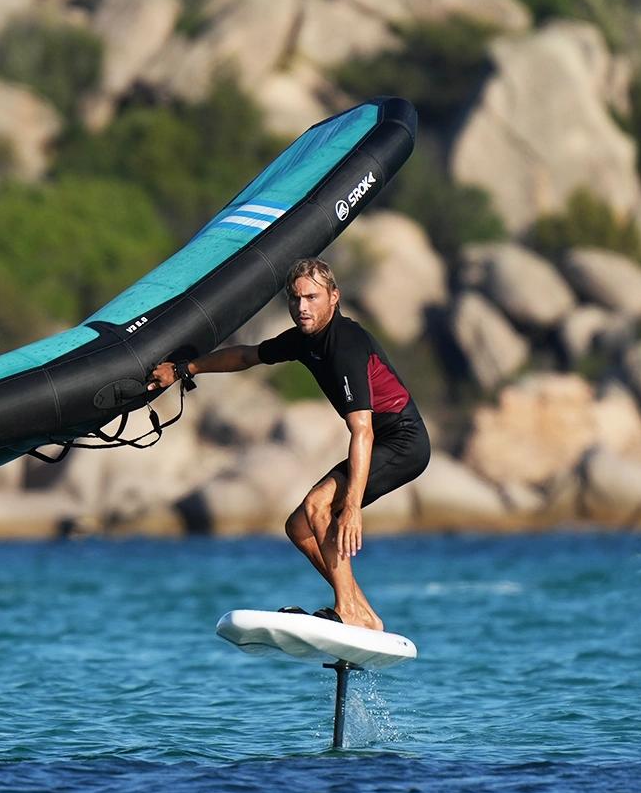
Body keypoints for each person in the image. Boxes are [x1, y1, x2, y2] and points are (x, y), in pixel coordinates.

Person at [147, 257, 430, 631]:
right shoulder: (304, 341)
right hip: (381, 441)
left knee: (318, 506)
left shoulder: (345, 345)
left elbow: (362, 430)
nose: (302, 307)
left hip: (402, 441)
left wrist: (353, 508)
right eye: (295, 299)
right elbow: (248, 355)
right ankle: (365, 615)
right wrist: (186, 369)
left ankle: (348, 610)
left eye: (312, 297)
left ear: (334, 297)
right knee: (299, 527)